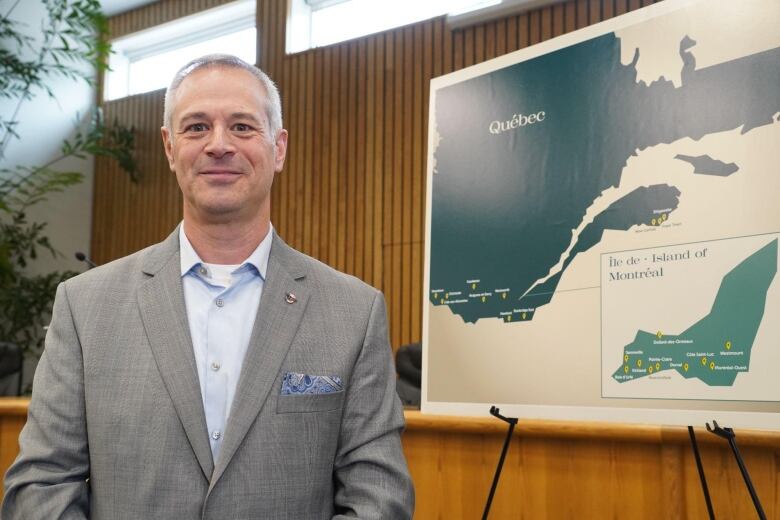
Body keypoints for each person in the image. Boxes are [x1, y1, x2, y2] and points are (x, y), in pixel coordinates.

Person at [3, 54, 414, 519]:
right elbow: (40, 486)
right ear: (169, 146)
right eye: (196, 127)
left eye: (242, 127)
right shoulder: (83, 306)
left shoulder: (353, 312)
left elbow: (378, 496)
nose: (219, 145)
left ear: (279, 148)